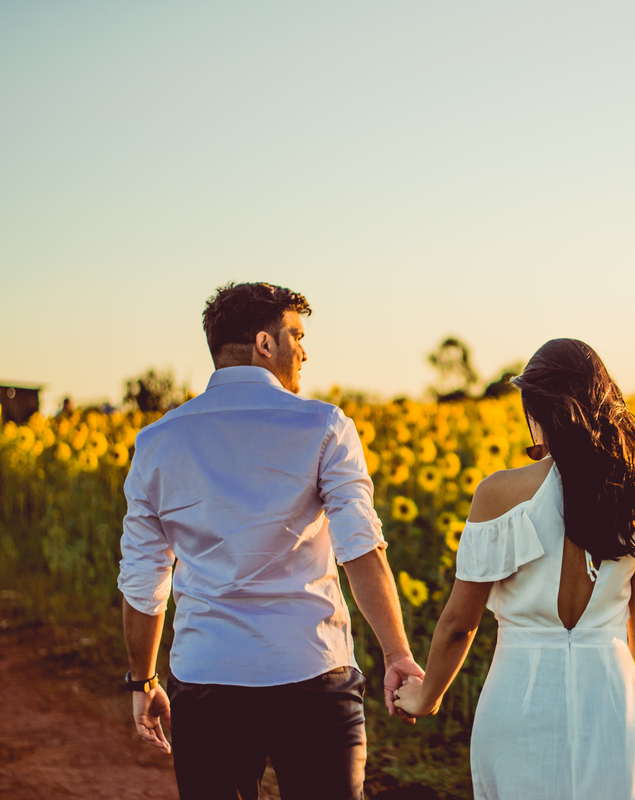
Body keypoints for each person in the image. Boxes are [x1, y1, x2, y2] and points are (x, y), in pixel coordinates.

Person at [117, 282, 423, 800]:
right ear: (265, 343)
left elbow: (145, 581)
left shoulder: (157, 442)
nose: (303, 351)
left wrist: (143, 682)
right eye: (296, 336)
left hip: (208, 679)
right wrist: (397, 654)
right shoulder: (326, 426)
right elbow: (359, 549)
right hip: (313, 671)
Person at [394, 338, 635, 799]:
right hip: (613, 703)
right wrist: (627, 722)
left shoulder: (498, 493)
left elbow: (459, 626)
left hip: (518, 701)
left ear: (536, 410)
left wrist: (425, 696)